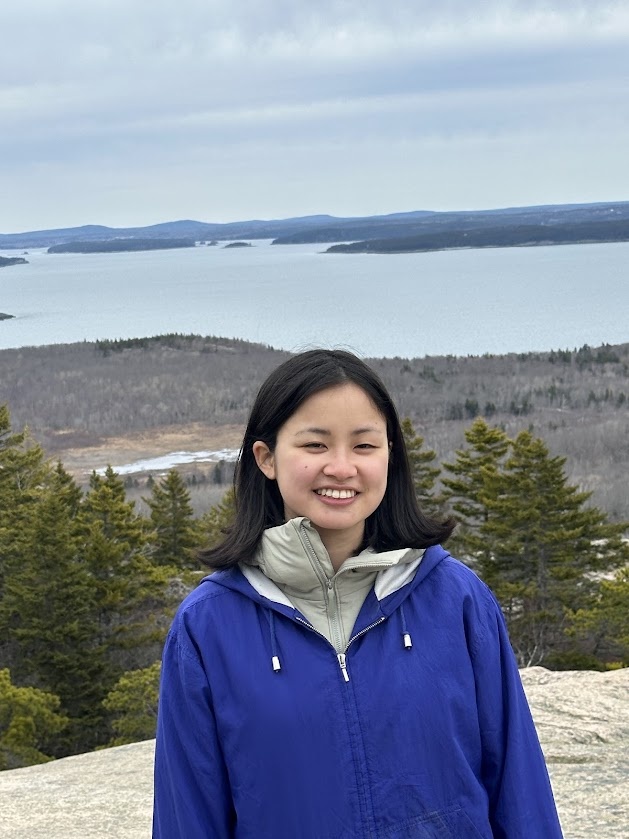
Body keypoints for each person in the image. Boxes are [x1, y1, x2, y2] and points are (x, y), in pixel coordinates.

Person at [153, 349, 563, 838]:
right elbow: (187, 816)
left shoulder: (455, 598)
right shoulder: (208, 626)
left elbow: (519, 786)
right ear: (266, 458)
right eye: (315, 445)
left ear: (390, 455)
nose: (342, 467)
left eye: (364, 445)